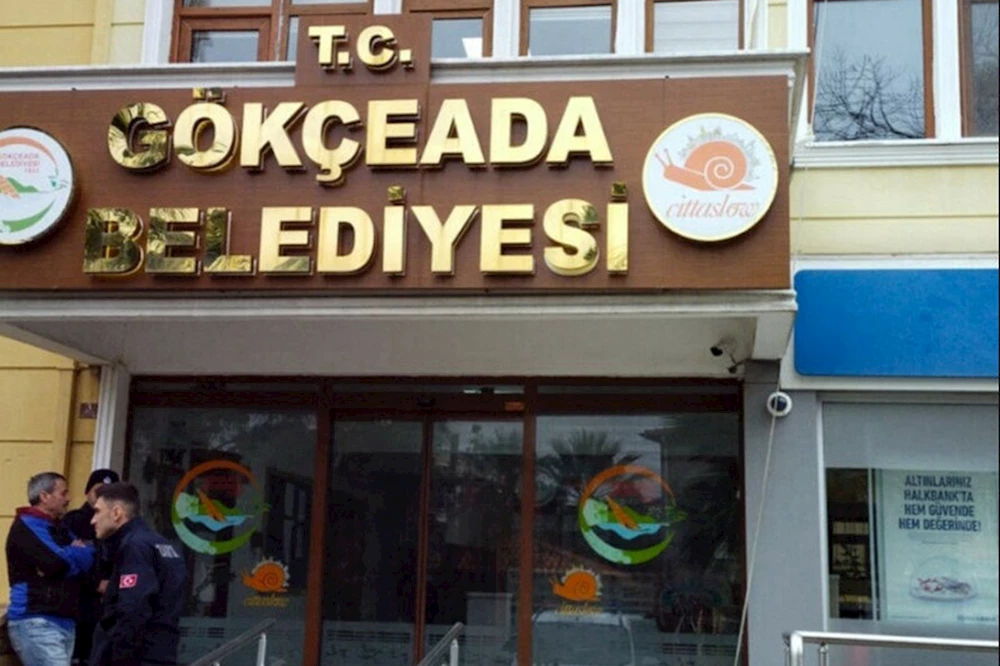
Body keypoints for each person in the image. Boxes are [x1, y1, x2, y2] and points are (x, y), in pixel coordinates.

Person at [89, 483, 187, 666]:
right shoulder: (161, 544)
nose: (92, 520)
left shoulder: (135, 546)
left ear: (116, 513)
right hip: (161, 651)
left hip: (137, 656)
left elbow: (133, 608)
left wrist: (118, 657)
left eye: (97, 512)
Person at [5, 472, 96, 666]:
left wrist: (69, 556)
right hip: (36, 620)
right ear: (44, 496)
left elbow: (89, 558)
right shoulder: (27, 525)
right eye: (63, 493)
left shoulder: (59, 527)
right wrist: (73, 553)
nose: (68, 499)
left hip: (64, 621)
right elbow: (56, 564)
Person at [61, 469, 121, 666]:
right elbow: (64, 561)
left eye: (110, 492)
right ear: (87, 492)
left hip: (110, 604)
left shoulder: (121, 525)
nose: (103, 496)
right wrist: (96, 582)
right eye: (98, 490)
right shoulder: (73, 521)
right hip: (78, 602)